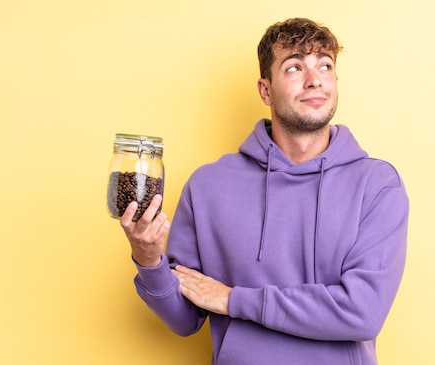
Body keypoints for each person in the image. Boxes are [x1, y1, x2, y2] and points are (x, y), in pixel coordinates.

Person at [120, 17, 409, 365]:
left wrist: (233, 300)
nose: (314, 79)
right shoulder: (208, 186)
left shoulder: (376, 184)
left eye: (325, 66)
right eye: (294, 67)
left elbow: (363, 312)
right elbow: (184, 320)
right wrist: (149, 260)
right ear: (266, 90)